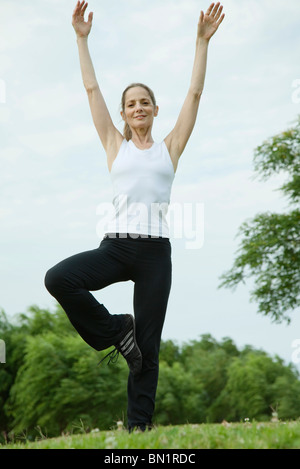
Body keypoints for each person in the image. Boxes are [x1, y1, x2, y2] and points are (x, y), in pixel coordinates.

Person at [44, 0, 225, 432]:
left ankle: (138, 430)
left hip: (155, 255)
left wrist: (201, 43)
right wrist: (80, 40)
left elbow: (195, 93)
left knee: (148, 347)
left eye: (146, 102)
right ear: (124, 114)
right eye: (131, 104)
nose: (139, 107)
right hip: (117, 245)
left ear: (155, 110)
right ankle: (114, 330)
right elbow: (91, 90)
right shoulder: (114, 144)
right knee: (58, 278)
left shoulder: (171, 146)